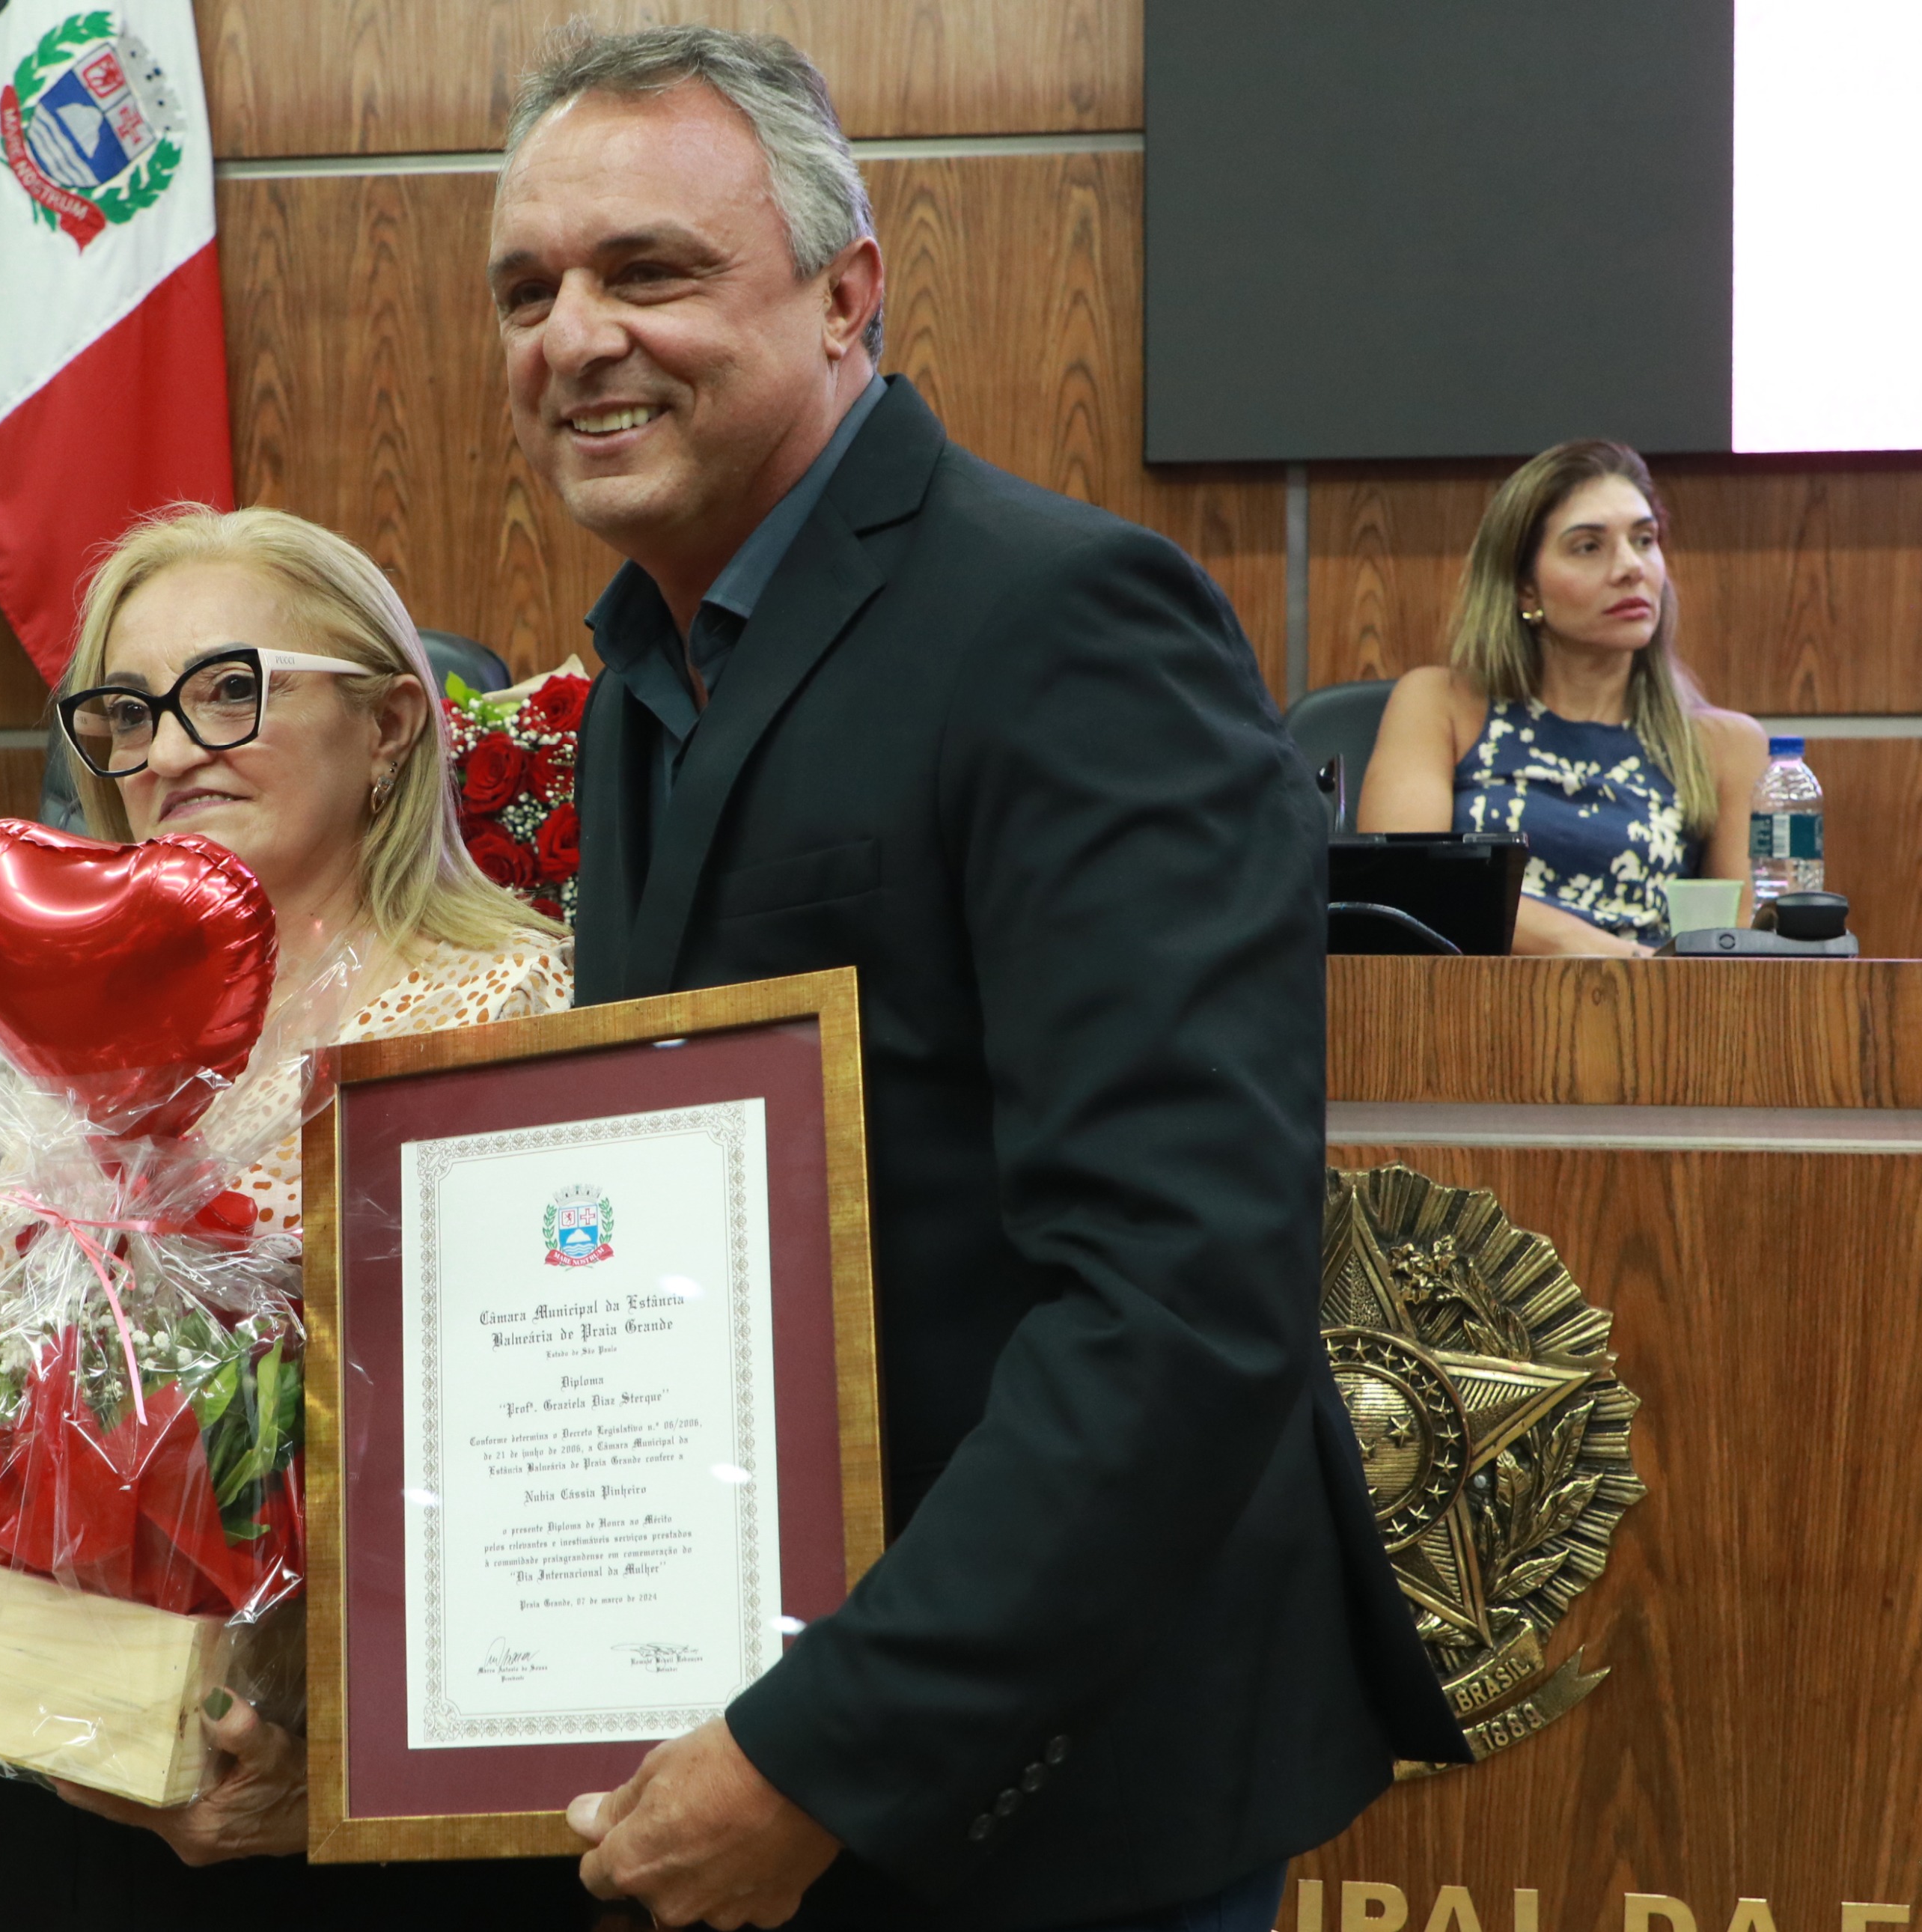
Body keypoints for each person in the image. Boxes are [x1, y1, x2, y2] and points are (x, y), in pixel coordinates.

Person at [486, 25, 1468, 1932]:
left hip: (1048, 1804)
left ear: (843, 294)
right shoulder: (634, 683)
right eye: (528, 291)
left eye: (648, 271)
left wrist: (821, 1750)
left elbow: (1178, 1299)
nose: (574, 337)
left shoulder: (1064, 622)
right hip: (766, 1748)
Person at [0, 503, 600, 1929]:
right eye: (129, 711)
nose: (168, 750)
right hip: (74, 1776)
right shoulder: (49, 1041)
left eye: (228, 689)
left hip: (370, 1801)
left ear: (389, 725)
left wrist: (327, 1740)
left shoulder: (514, 1008)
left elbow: (556, 1436)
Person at [1357, 439, 1766, 953]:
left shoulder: (1724, 745)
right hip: (1473, 998)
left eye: (1644, 540)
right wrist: (1619, 957)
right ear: (1525, 588)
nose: (1631, 568)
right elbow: (1405, 892)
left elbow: (1747, 952)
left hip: (1654, 1002)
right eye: (1589, 547)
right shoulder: (1442, 703)